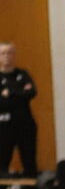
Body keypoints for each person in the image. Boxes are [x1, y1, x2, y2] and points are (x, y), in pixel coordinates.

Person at [0, 42, 38, 180]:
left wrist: (9, 93)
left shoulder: (23, 74)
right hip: (4, 126)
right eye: (3, 53)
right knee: (2, 162)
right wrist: (20, 93)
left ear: (14, 55)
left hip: (25, 124)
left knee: (29, 160)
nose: (6, 56)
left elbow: (32, 93)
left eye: (9, 53)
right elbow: (2, 103)